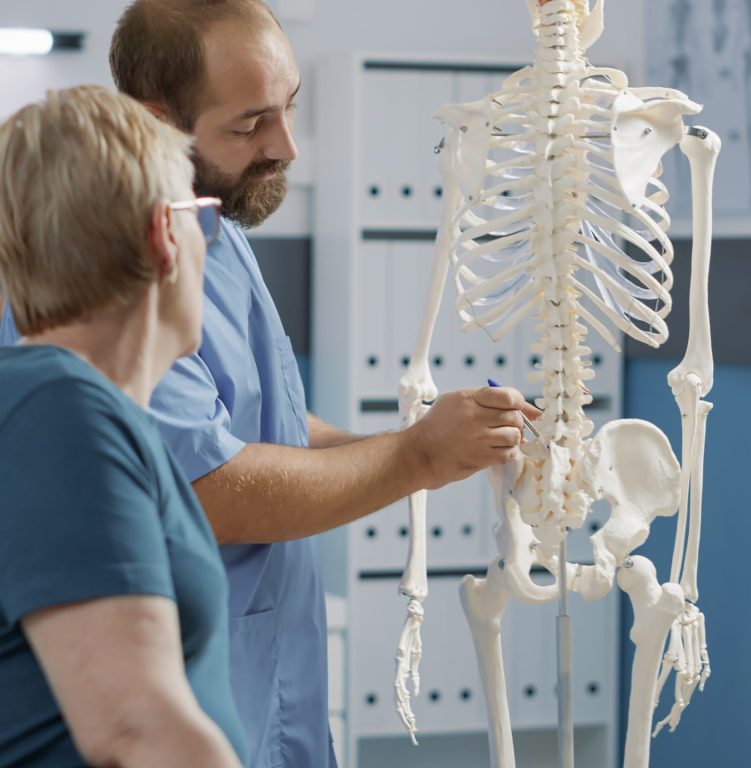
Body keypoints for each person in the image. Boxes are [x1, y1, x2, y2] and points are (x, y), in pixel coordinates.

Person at [2, 3, 539, 766]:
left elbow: (264, 425)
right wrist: (414, 457)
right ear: (165, 229)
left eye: (288, 110)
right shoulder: (60, 410)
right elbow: (211, 485)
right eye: (251, 122)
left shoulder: (223, 232)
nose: (284, 145)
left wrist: (431, 448)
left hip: (275, 697)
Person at [0, 85, 246, 767]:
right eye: (203, 217)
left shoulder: (72, 409)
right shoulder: (58, 410)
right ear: (165, 234)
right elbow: (138, 729)